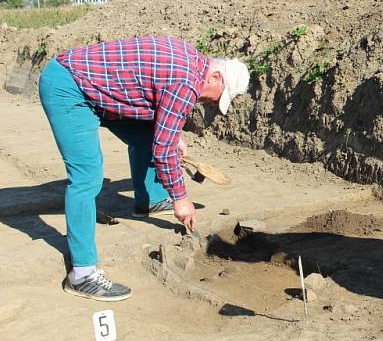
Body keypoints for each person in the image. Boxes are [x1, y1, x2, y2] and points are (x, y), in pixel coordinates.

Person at [39, 36, 250, 302]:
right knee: (87, 177)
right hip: (69, 86)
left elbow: (156, 105)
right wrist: (181, 198)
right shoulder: (185, 83)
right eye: (217, 98)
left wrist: (172, 136)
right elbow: (163, 149)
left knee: (151, 140)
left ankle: (147, 200)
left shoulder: (192, 62)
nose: (210, 103)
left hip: (95, 85)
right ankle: (81, 274)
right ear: (216, 77)